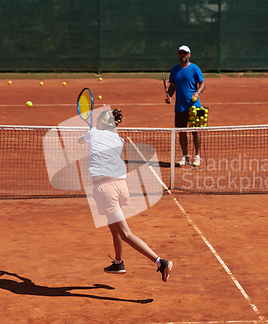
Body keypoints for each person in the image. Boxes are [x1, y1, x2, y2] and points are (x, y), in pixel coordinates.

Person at [80, 109, 173, 282]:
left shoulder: (92, 133)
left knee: (125, 233)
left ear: (100, 122)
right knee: (112, 226)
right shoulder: (118, 139)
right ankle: (118, 262)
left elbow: (79, 142)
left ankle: (160, 262)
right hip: (121, 186)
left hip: (105, 190)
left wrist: (90, 131)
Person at [165, 45, 206, 167]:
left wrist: (197, 93)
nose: (182, 55)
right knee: (182, 132)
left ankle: (197, 156)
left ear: (189, 54)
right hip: (179, 107)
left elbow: (203, 83)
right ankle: (185, 156)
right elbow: (172, 86)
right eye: (180, 53)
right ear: (178, 54)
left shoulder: (195, 68)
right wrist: (169, 96)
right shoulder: (175, 70)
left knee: (195, 131)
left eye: (185, 53)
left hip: (194, 106)